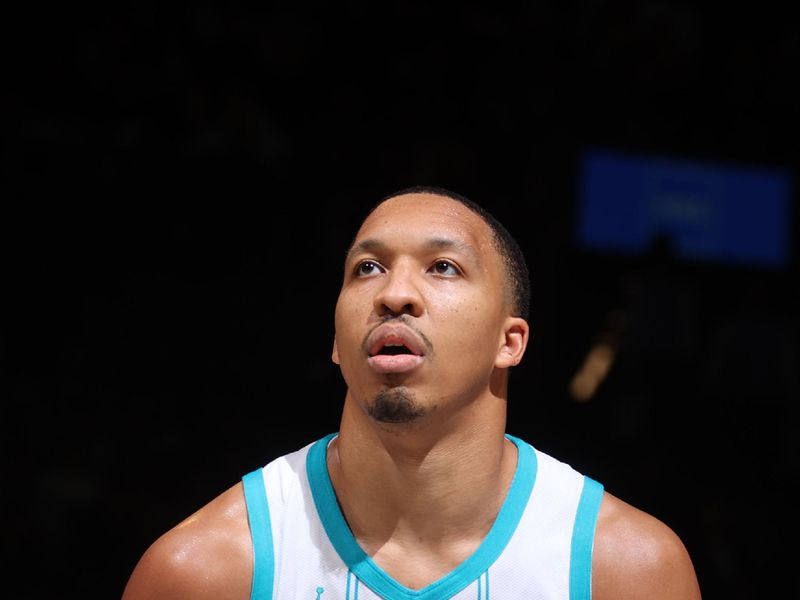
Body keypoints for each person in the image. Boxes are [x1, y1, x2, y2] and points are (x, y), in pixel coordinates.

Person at [121, 186, 702, 599]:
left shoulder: (628, 573)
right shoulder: (204, 572)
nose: (394, 293)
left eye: (444, 267)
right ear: (335, 342)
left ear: (511, 341)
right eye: (367, 268)